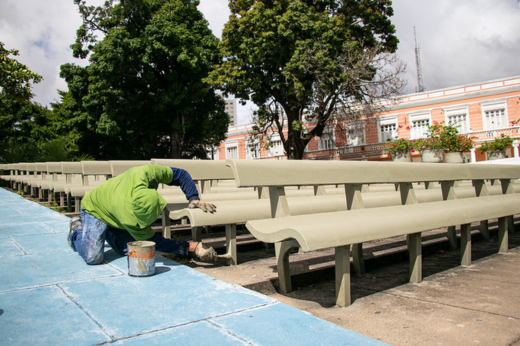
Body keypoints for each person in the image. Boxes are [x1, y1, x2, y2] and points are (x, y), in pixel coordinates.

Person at [67, 165, 218, 265]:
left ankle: (106, 231)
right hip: (95, 208)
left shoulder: (146, 173)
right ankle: (76, 231)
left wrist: (194, 198)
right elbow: (154, 241)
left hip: (113, 210)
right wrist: (189, 247)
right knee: (93, 258)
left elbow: (182, 175)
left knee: (128, 250)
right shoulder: (128, 218)